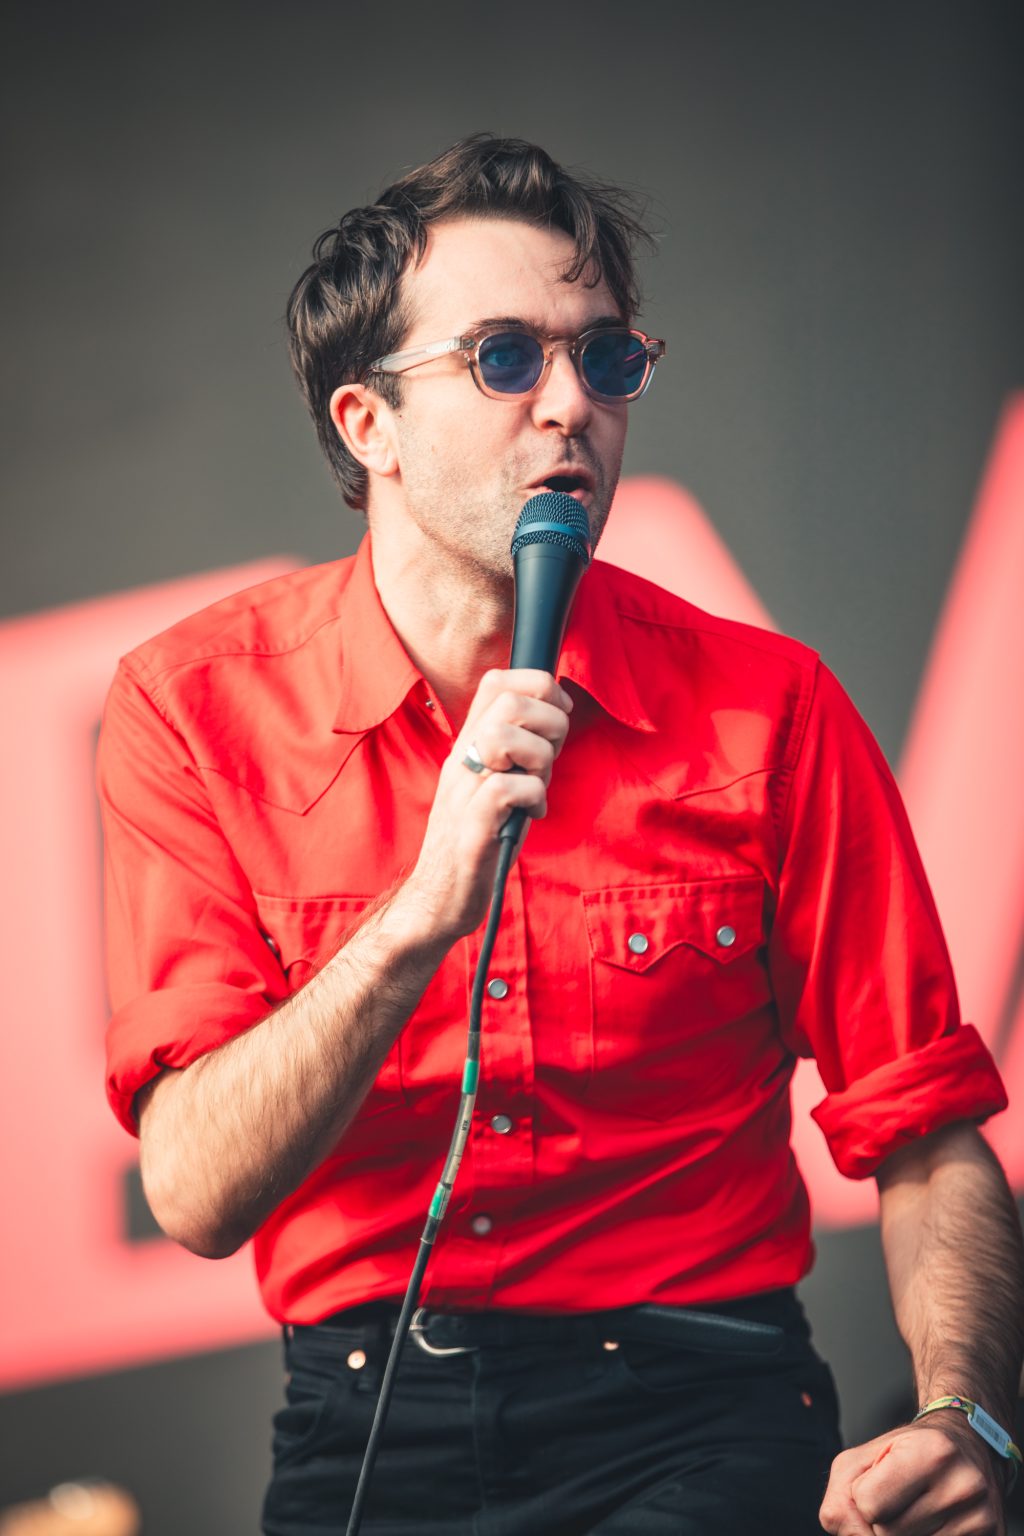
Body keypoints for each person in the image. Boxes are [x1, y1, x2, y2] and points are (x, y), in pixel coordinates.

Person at [97, 135, 1022, 1535]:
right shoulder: (193, 707)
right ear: (368, 424)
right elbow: (196, 1193)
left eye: (607, 359)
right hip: (366, 1425)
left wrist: (970, 1412)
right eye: (506, 359)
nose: (572, 406)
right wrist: (419, 917)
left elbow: (927, 1127)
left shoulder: (771, 709)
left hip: (702, 1409)